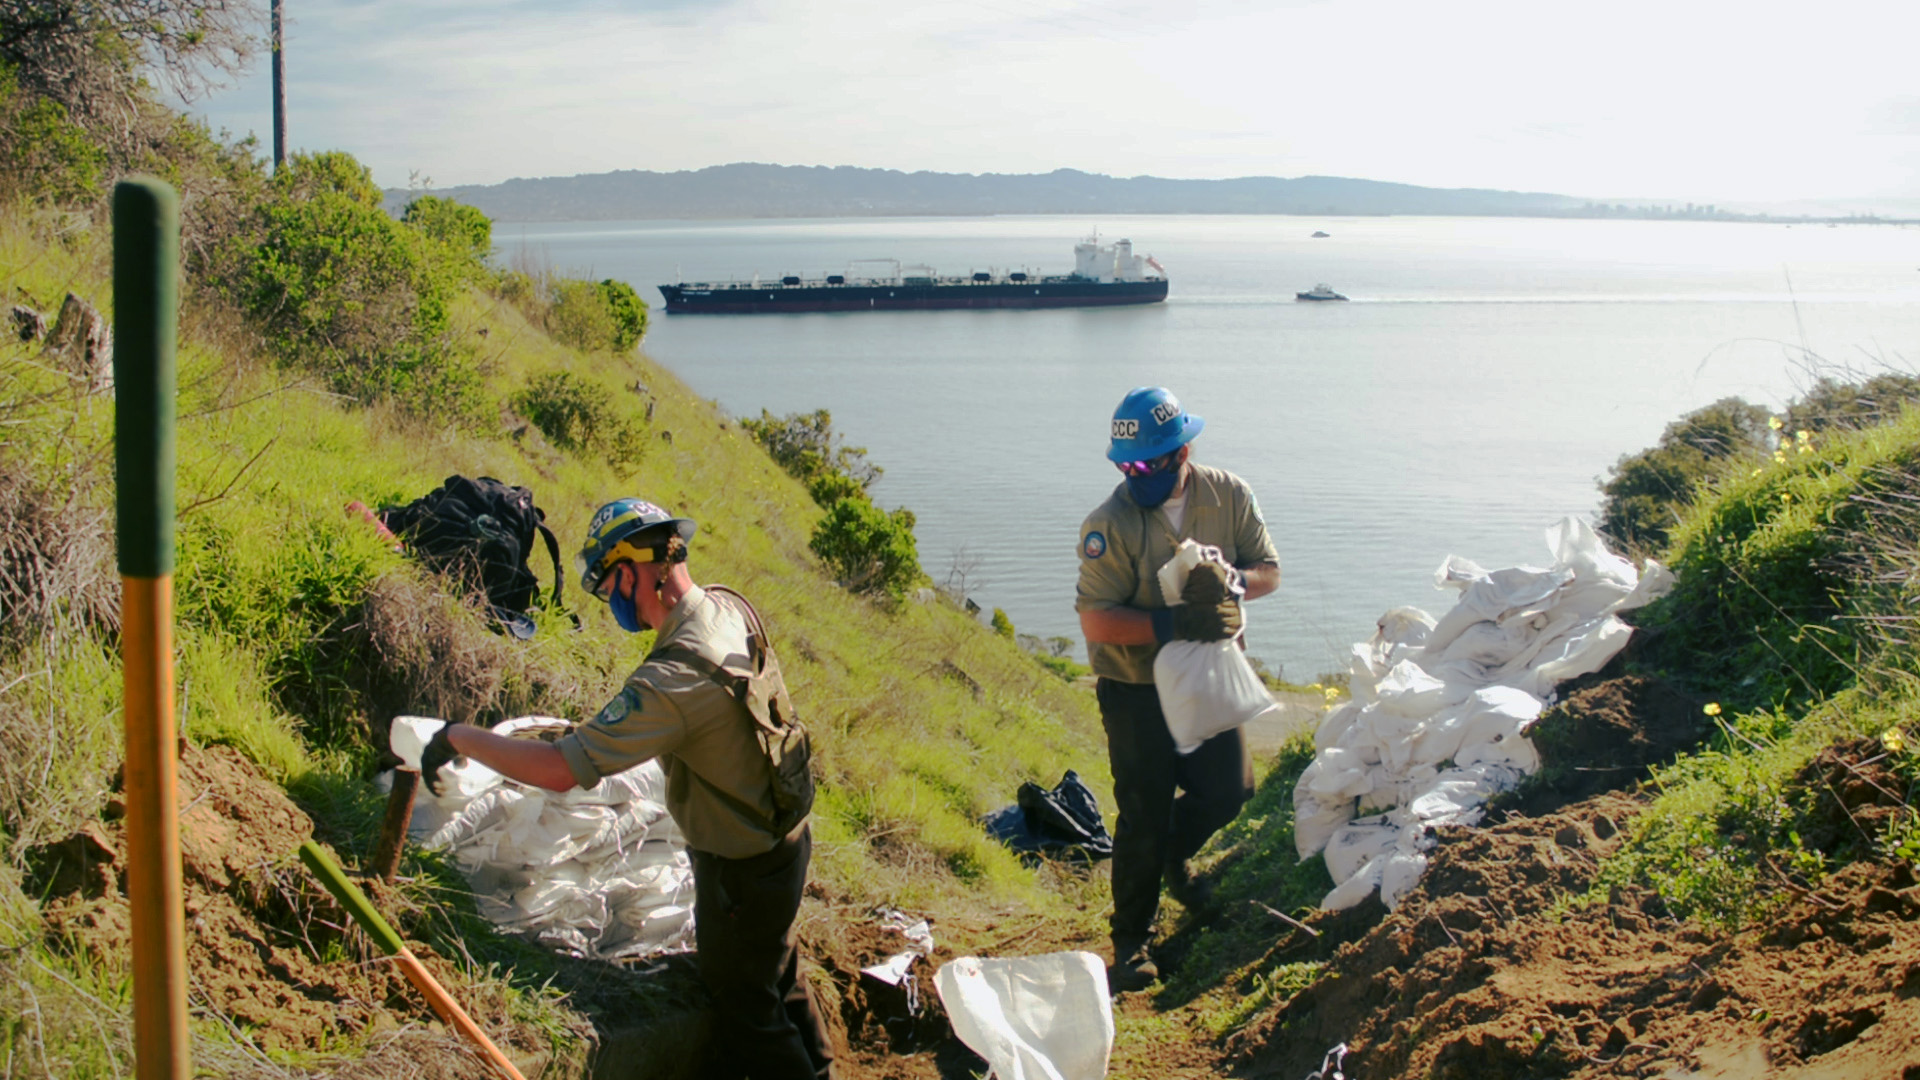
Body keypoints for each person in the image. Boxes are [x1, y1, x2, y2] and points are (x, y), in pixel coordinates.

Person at [419, 497, 834, 1080]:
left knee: (747, 1007)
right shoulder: (722, 608)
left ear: (640, 568)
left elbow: (562, 771)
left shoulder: (673, 677)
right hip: (784, 841)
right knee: (778, 973)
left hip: (740, 871)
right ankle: (823, 1070)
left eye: (610, 582)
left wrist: (461, 736)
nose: (610, 599)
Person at [1075, 387, 1281, 991]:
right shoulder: (1107, 525)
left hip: (1208, 675)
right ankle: (1131, 942)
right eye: (1126, 465)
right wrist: (1169, 623)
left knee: (1230, 790)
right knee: (1141, 811)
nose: (1136, 475)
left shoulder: (1229, 495)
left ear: (1181, 452)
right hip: (1134, 686)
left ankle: (1173, 855)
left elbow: (1269, 570)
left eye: (1149, 465)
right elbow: (1095, 620)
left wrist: (1233, 582)